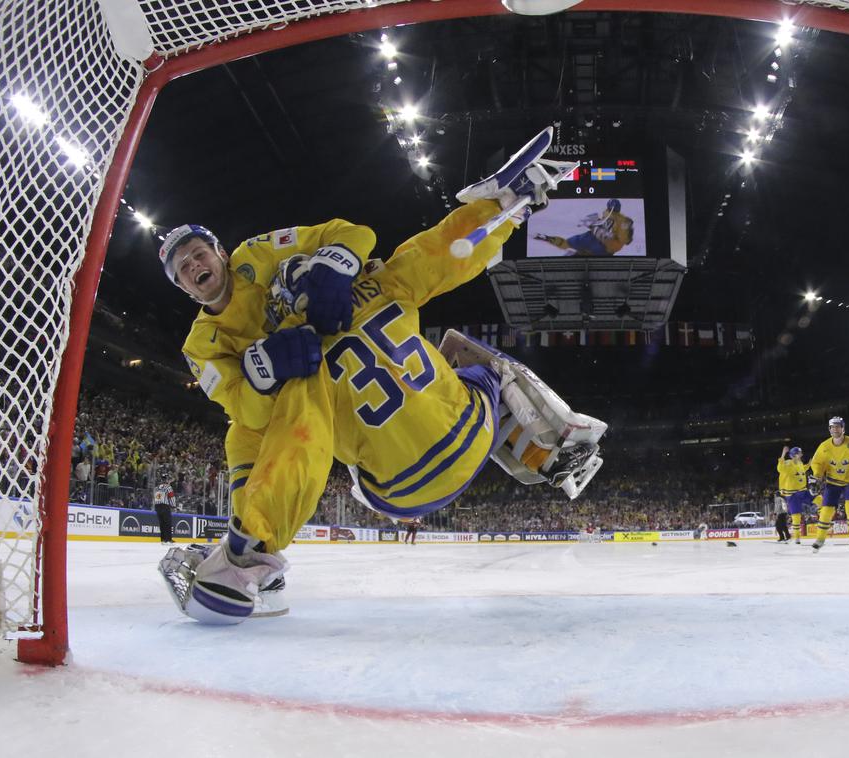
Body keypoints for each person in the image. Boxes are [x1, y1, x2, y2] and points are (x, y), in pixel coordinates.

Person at [157, 127, 605, 624]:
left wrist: (267, 370)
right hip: (470, 437)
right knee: (463, 352)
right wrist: (502, 210)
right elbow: (438, 252)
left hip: (393, 492)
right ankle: (553, 443)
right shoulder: (377, 281)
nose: (194, 264)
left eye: (197, 253)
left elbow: (283, 434)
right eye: (182, 267)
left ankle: (248, 556)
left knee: (274, 432)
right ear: (181, 285)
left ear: (220, 254)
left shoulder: (290, 360)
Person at [809, 416, 849, 552]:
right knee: (826, 511)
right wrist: (817, 477)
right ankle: (820, 539)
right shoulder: (824, 446)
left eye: (838, 426)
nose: (835, 429)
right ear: (829, 429)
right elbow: (817, 463)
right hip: (832, 481)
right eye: (832, 427)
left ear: (843, 429)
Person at [533, 197, 635, 256]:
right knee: (569, 243)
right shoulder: (608, 213)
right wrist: (593, 224)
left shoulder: (623, 221)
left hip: (604, 247)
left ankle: (573, 253)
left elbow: (624, 240)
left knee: (580, 252)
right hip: (594, 239)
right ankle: (549, 239)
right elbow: (601, 224)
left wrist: (603, 233)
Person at [776, 445, 811, 544]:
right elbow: (780, 468)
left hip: (802, 491)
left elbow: (801, 469)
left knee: (818, 499)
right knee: (796, 517)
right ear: (794, 455)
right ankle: (797, 538)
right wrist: (783, 454)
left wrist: (809, 464)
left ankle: (825, 520)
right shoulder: (787, 463)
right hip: (792, 494)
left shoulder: (800, 463)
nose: (802, 454)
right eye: (800, 453)